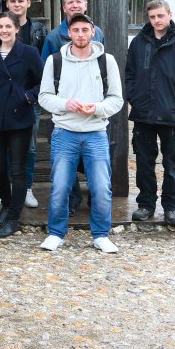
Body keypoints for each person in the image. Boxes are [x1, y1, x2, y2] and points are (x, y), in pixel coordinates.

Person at [38, 14, 123, 254]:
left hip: (96, 132)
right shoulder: (55, 61)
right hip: (65, 132)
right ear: (69, 33)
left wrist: (96, 108)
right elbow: (44, 96)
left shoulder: (107, 61)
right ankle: (56, 233)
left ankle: (100, 235)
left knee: (101, 187)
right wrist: (66, 104)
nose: (81, 35)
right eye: (76, 30)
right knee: (60, 187)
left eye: (85, 30)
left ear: (93, 31)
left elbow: (116, 100)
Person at [126, 0, 175, 227]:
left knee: (171, 164)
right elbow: (130, 74)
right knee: (144, 162)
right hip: (144, 114)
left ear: (169, 15)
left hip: (172, 116)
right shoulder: (139, 43)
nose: (157, 21)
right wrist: (135, 98)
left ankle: (171, 208)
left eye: (160, 16)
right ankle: (146, 204)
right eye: (152, 17)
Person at [0, 13, 44, 238]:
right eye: (0, 26)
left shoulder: (29, 53)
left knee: (17, 169)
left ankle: (14, 217)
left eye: (8, 26)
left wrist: (25, 97)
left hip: (19, 116)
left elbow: (41, 82)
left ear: (16, 28)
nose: (4, 30)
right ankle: (6, 205)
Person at [40, 0, 105, 215]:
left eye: (78, 2)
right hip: (64, 108)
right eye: (70, 2)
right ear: (63, 7)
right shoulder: (53, 37)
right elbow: (45, 73)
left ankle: (95, 201)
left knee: (94, 162)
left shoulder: (96, 32)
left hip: (92, 110)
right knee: (65, 162)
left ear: (85, 5)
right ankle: (72, 200)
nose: (74, 5)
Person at [6, 0, 47, 209]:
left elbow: (44, 65)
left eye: (21, 1)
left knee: (29, 146)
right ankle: (2, 186)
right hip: (4, 97)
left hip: (31, 96)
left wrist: (34, 94)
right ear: (7, 4)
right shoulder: (0, 27)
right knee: (2, 145)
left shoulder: (39, 30)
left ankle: (27, 187)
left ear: (29, 3)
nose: (17, 4)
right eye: (12, 1)